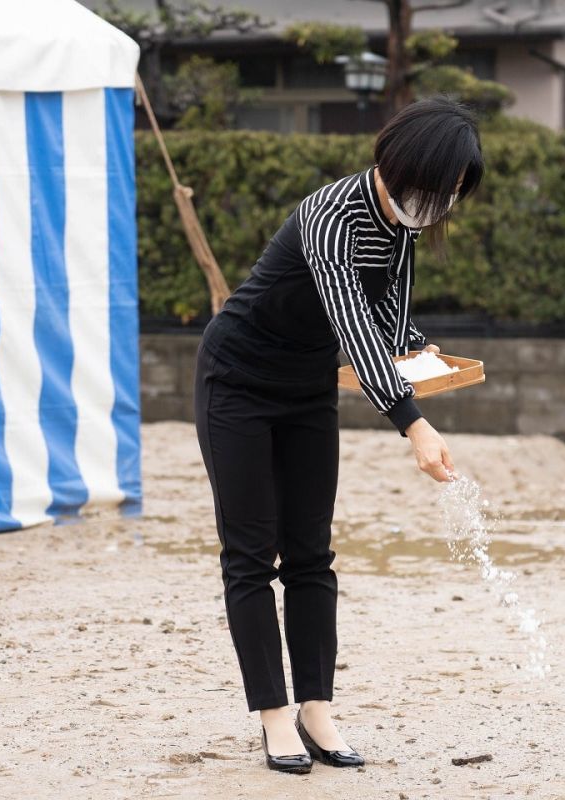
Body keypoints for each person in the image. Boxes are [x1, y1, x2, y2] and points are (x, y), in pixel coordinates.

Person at [192, 97, 484, 774]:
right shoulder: (330, 213)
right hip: (235, 380)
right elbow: (350, 316)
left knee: (310, 554)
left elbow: (387, 314)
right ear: (395, 163)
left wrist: (415, 350)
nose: (435, 206)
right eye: (431, 189)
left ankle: (316, 708)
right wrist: (412, 422)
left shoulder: (401, 227)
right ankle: (273, 716)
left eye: (450, 196)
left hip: (307, 390)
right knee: (249, 554)